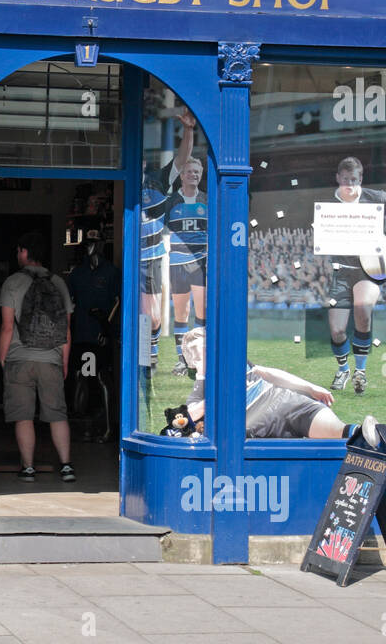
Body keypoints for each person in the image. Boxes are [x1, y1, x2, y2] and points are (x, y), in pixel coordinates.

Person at [324, 157, 386, 395]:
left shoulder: (378, 198)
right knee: (337, 330)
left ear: (360, 179)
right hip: (341, 270)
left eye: (354, 179)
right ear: (338, 178)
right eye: (345, 179)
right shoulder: (329, 205)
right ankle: (343, 370)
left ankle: (360, 372)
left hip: (369, 269)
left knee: (362, 308)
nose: (349, 184)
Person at [179, 327, 355, 439]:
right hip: (258, 426)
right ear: (192, 363)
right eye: (201, 355)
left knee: (338, 432)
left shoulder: (235, 362)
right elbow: (188, 417)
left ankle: (368, 438)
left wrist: (310, 387)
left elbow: (267, 373)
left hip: (285, 402)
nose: (211, 357)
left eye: (211, 350)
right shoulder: (199, 392)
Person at [0, 232, 75, 482]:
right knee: (57, 414)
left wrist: (3, 358)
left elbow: (7, 327)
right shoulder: (59, 283)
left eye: (18, 251)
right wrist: (64, 361)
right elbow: (66, 329)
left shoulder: (12, 283)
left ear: (23, 252)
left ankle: (28, 468)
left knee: (23, 415)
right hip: (51, 358)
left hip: (20, 358)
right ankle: (66, 466)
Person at [140, 110, 196, 373]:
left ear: (142, 163)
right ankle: (142, 359)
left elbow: (181, 160)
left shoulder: (157, 182)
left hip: (150, 259)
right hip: (128, 257)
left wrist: (188, 130)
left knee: (151, 317)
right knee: (134, 314)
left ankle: (150, 355)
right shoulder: (122, 185)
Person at [67, 229, 120, 442]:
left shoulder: (111, 272)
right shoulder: (77, 274)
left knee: (102, 378)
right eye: (88, 242)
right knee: (82, 378)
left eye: (95, 242)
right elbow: (69, 304)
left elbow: (118, 302)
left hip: (101, 336)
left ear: (102, 244)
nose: (91, 246)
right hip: (81, 335)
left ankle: (107, 427)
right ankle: (85, 427)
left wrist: (108, 328)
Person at [159, 153, 209, 376]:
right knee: (181, 313)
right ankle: (181, 359)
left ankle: (199, 358)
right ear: (181, 175)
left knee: (202, 312)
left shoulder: (207, 200)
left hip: (201, 261)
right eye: (189, 171)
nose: (194, 175)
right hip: (178, 262)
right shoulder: (170, 202)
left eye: (197, 172)